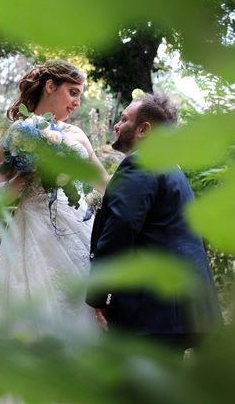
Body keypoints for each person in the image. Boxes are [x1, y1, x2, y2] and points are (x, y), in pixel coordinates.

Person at [0, 60, 110, 339]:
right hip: (31, 233)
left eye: (80, 95)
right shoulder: (15, 136)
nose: (77, 102)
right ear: (50, 86)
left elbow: (104, 184)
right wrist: (24, 178)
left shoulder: (78, 136)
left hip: (79, 229)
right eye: (73, 92)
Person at [85, 94, 222, 350]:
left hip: (151, 309)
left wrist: (99, 294)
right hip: (177, 308)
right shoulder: (172, 167)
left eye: (124, 119)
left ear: (144, 129)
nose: (116, 124)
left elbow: (121, 227)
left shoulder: (139, 165)